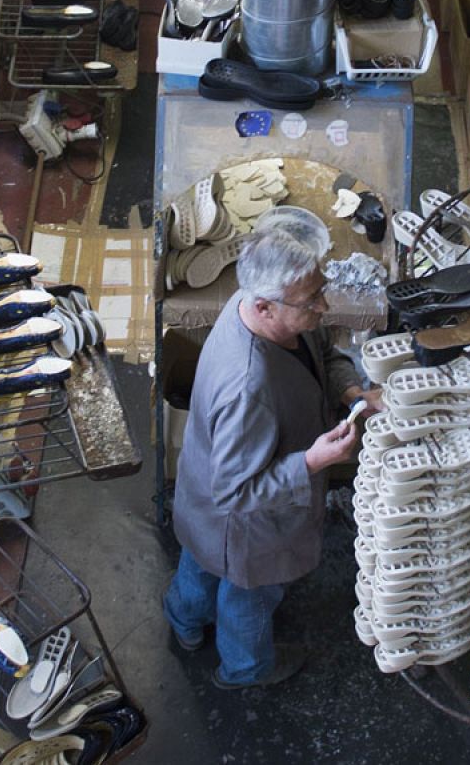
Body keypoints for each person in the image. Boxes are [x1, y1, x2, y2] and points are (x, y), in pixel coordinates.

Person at [164, 228, 381, 689]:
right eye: (311, 300)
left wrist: (350, 391)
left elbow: (324, 352)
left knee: (199, 563)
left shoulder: (257, 307)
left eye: (320, 291)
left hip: (202, 498)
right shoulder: (247, 387)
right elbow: (236, 492)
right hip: (247, 524)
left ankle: (184, 622)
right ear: (265, 306)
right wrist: (312, 462)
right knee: (250, 596)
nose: (323, 306)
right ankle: (244, 669)